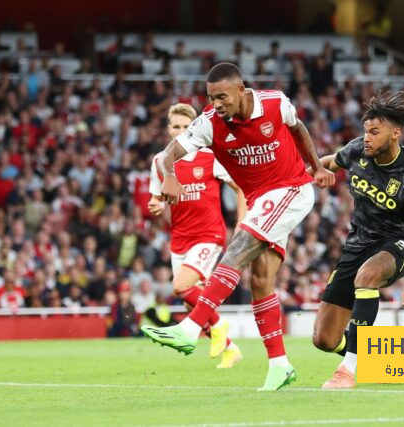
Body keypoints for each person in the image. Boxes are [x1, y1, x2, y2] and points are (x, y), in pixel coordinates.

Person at [141, 62, 334, 390]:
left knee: (240, 244)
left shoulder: (274, 103)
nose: (217, 104)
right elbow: (169, 154)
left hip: (292, 189)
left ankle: (191, 328)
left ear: (241, 91)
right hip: (262, 200)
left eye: (222, 97)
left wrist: (315, 167)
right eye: (211, 97)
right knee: (259, 280)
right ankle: (280, 366)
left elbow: (298, 128)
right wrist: (170, 177)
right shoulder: (209, 123)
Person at [311, 91, 404, 389]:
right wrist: (307, 174)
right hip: (357, 243)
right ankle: (365, 355)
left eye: (374, 132)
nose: (367, 137)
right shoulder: (357, 151)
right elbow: (329, 162)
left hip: (396, 245)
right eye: (366, 130)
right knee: (324, 339)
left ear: (395, 133)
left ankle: (348, 370)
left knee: (367, 276)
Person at [148, 103, 246, 369]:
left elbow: (240, 188)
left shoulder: (210, 157)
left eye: (186, 127)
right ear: (169, 129)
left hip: (208, 234)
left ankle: (219, 324)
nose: (180, 131)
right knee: (189, 297)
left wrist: (241, 223)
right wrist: (156, 204)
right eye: (176, 127)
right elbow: (156, 198)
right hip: (179, 239)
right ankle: (229, 347)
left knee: (180, 286)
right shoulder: (160, 161)